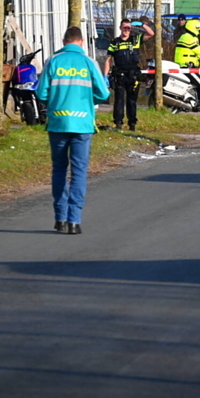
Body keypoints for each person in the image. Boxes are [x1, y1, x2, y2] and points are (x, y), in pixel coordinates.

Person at [36, 26, 110, 235]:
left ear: (63, 42)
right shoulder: (89, 62)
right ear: (82, 42)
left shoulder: (53, 61)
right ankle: (74, 221)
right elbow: (103, 93)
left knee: (59, 169)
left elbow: (41, 93)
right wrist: (87, 101)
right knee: (79, 171)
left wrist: (54, 103)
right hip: (82, 123)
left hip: (58, 123)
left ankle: (60, 218)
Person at [103, 17, 154, 131]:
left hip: (133, 75)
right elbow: (109, 59)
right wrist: (105, 75)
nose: (126, 30)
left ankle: (132, 124)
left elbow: (151, 33)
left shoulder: (136, 39)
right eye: (124, 28)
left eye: (128, 28)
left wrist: (142, 25)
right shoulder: (115, 42)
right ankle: (118, 123)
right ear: (120, 28)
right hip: (119, 75)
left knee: (132, 101)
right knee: (119, 100)